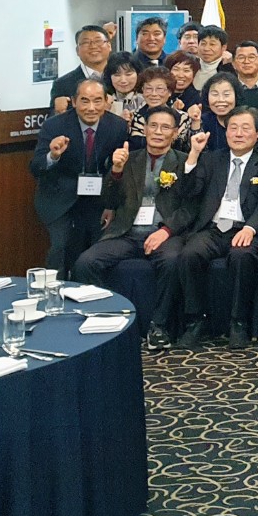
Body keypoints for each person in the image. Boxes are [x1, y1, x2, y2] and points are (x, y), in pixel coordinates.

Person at [73, 105, 191, 350]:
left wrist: (166, 231)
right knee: (86, 262)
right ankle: (107, 319)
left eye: (165, 127)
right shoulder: (128, 158)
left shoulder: (184, 162)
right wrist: (116, 171)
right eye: (153, 126)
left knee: (172, 261)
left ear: (175, 132)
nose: (158, 132)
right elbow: (108, 201)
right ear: (144, 129)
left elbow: (190, 207)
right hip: (127, 232)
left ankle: (159, 325)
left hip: (165, 234)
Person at [174, 106, 258, 350]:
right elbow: (189, 191)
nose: (238, 134)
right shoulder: (211, 159)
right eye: (233, 128)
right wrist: (193, 155)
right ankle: (195, 321)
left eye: (245, 128)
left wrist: (251, 228)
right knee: (189, 254)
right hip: (212, 227)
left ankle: (238, 322)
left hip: (244, 228)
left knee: (242, 256)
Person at [30, 77, 130, 276]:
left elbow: (116, 170)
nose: (91, 108)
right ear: (74, 102)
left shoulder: (117, 126)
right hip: (60, 199)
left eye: (97, 101)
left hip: (98, 199)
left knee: (96, 252)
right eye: (85, 101)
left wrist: (111, 205)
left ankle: (90, 291)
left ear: (106, 102)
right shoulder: (54, 126)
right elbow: (35, 167)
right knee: (61, 248)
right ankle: (54, 290)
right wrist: (53, 156)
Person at [50, 24, 111, 111]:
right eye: (86, 42)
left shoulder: (123, 78)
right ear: (77, 51)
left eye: (98, 41)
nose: (93, 46)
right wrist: (59, 112)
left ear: (109, 46)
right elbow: (53, 118)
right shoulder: (62, 84)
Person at [230, 40, 258, 109]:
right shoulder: (228, 90)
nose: (246, 61)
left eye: (251, 57)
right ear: (233, 63)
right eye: (241, 58)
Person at [194, 25, 231, 90]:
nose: (206, 48)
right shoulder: (192, 66)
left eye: (212, 44)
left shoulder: (228, 69)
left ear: (223, 47)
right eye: (203, 43)